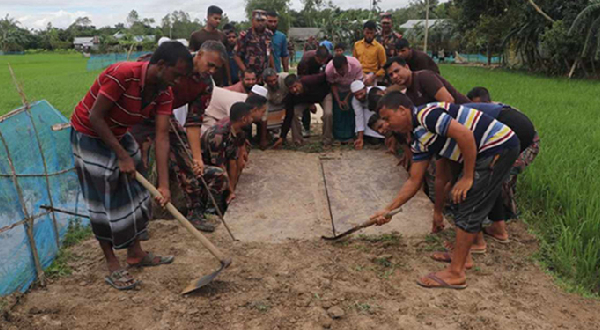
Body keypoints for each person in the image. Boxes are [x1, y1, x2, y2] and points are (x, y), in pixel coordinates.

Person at [70, 42, 192, 291]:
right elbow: (95, 116)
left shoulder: (164, 91)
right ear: (160, 65)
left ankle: (136, 253)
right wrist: (121, 156)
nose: (178, 82)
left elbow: (162, 136)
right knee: (103, 196)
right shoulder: (123, 75)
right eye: (176, 74)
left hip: (118, 132)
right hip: (89, 133)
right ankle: (112, 262)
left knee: (138, 188)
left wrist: (164, 186)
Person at [371, 92, 520, 289]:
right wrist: (388, 210)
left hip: (497, 147)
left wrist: (467, 177)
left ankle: (456, 273)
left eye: (388, 118)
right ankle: (463, 256)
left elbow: (465, 135)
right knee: (458, 196)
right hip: (485, 151)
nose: (387, 125)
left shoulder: (426, 115)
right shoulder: (419, 138)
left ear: (402, 110)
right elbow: (414, 180)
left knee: (469, 202)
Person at [130, 41, 231, 233]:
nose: (211, 70)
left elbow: (194, 121)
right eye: (210, 64)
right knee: (138, 165)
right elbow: (139, 77)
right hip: (138, 116)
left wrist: (197, 158)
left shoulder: (204, 85)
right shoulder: (172, 61)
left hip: (167, 118)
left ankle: (195, 214)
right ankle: (138, 221)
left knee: (188, 162)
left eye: (216, 68)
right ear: (199, 55)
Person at [202, 102, 266, 201]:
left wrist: (233, 188)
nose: (252, 120)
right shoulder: (217, 136)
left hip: (220, 158)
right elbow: (221, 167)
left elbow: (234, 162)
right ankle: (212, 206)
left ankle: (230, 190)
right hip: (205, 165)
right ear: (244, 119)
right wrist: (230, 191)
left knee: (244, 148)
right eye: (250, 117)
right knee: (219, 175)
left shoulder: (238, 128)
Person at [274, 73, 332, 147]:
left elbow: (326, 76)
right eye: (291, 88)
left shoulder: (311, 80)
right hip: (305, 100)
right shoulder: (291, 97)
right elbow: (288, 116)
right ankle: (298, 141)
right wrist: (282, 137)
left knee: (328, 113)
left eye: (295, 86)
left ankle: (327, 140)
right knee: (293, 114)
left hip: (323, 95)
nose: (294, 90)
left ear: (299, 82)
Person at [384, 57, 470, 106]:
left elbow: (448, 101)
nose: (394, 76)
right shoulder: (408, 93)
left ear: (406, 67)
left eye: (397, 71)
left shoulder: (424, 77)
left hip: (468, 115)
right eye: (391, 75)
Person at [189, 5, 231, 86]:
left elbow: (226, 60)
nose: (218, 21)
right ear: (208, 17)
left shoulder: (222, 36)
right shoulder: (196, 36)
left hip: (218, 79)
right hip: (200, 79)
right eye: (215, 18)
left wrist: (228, 80)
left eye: (220, 19)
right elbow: (192, 56)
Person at [296, 46, 333, 136]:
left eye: (324, 60)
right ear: (316, 57)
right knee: (302, 110)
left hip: (323, 90)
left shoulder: (330, 59)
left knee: (329, 113)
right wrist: (310, 103)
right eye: (320, 61)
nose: (322, 63)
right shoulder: (305, 61)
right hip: (307, 90)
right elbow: (301, 83)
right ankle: (306, 129)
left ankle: (327, 137)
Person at [326, 54, 363, 142]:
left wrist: (346, 99)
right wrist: (338, 100)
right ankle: (338, 137)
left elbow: (357, 83)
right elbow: (333, 85)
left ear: (347, 65)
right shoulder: (329, 69)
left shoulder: (356, 65)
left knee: (350, 110)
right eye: (338, 71)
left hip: (352, 89)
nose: (341, 72)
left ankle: (351, 135)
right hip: (338, 89)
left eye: (342, 69)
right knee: (338, 112)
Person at [235, 10, 274, 81]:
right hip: (248, 78)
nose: (260, 23)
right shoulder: (245, 36)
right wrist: (246, 72)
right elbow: (237, 56)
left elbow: (270, 53)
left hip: (263, 76)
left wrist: (273, 70)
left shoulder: (269, 34)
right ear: (252, 20)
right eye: (258, 20)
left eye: (263, 20)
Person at [350, 80, 385, 150]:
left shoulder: (376, 92)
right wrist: (360, 138)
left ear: (365, 89)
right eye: (356, 95)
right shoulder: (355, 101)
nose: (359, 97)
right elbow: (359, 117)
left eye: (361, 93)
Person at [353, 20, 386, 86]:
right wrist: (362, 74)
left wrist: (373, 77)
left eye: (371, 33)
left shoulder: (379, 47)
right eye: (367, 33)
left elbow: (384, 67)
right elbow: (354, 63)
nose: (369, 35)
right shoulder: (356, 45)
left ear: (375, 33)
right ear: (363, 32)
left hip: (372, 76)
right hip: (358, 74)